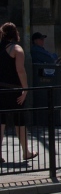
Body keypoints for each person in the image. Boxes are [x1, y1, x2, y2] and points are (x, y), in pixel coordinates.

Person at [0, 22, 37, 161]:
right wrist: (25, 88)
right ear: (15, 33)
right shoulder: (16, 49)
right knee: (20, 121)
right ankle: (25, 152)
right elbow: (20, 70)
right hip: (14, 89)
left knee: (1, 121)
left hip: (0, 89)